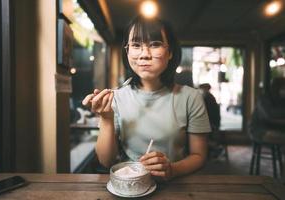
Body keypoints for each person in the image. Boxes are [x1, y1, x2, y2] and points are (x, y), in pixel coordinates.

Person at [83, 16, 211, 180]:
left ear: (170, 52)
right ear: (127, 51)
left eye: (155, 44)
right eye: (136, 45)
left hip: (176, 187)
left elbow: (199, 156)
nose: (144, 55)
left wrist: (172, 169)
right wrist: (106, 118)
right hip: (129, 185)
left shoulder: (190, 98)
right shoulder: (116, 97)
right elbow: (106, 161)